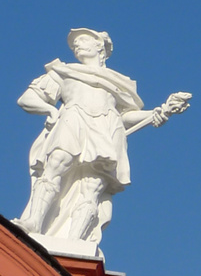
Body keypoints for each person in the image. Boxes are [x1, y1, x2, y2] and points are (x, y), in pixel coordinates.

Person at [15, 28, 188, 248]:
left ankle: (75, 241)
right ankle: (34, 221)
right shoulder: (64, 72)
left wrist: (155, 113)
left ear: (100, 46)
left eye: (82, 40)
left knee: (92, 186)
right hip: (73, 119)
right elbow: (27, 98)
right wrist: (49, 110)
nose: (76, 45)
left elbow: (125, 115)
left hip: (108, 128)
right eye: (74, 43)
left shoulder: (118, 82)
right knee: (55, 166)